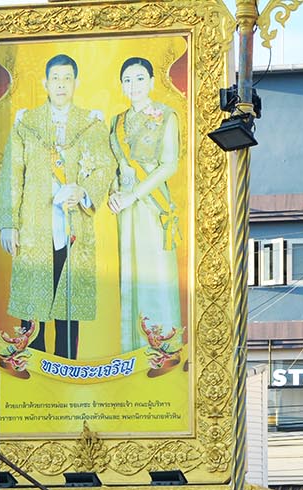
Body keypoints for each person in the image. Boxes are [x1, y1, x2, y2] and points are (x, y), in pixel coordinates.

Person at [0, 53, 114, 360]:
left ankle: (66, 371)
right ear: (45, 83)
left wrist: (84, 191)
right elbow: (12, 172)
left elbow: (105, 166)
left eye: (67, 78)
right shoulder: (26, 123)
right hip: (34, 226)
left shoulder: (91, 123)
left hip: (73, 226)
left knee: (68, 304)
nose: (61, 84)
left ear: (76, 83)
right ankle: (33, 370)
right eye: (56, 78)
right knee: (33, 303)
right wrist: (9, 223)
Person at [108, 56, 183, 366]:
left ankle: (162, 350)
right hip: (124, 209)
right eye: (127, 79)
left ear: (152, 82)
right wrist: (114, 193)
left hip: (152, 204)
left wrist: (133, 195)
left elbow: (170, 164)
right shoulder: (117, 121)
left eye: (140, 78)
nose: (133, 85)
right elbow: (114, 164)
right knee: (130, 275)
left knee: (156, 275)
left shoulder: (167, 116)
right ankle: (133, 352)